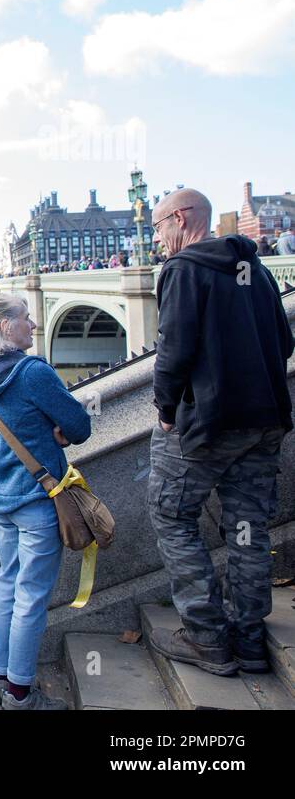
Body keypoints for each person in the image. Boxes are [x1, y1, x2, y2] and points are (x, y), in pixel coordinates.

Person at [147, 189, 293, 675]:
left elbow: (174, 351)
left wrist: (166, 408)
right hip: (265, 420)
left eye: (158, 226)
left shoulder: (183, 270)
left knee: (172, 515)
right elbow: (285, 339)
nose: (156, 238)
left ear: (181, 218)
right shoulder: (259, 270)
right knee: (247, 528)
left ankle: (207, 635)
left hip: (206, 426)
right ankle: (250, 639)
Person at [0, 294, 92, 710]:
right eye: (25, 318)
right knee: (31, 596)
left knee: (7, 587)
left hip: (1, 497)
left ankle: (3, 678)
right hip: (39, 499)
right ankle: (21, 694)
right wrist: (57, 432)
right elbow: (79, 424)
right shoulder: (33, 372)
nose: (34, 324)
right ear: (6, 327)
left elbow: (4, 433)